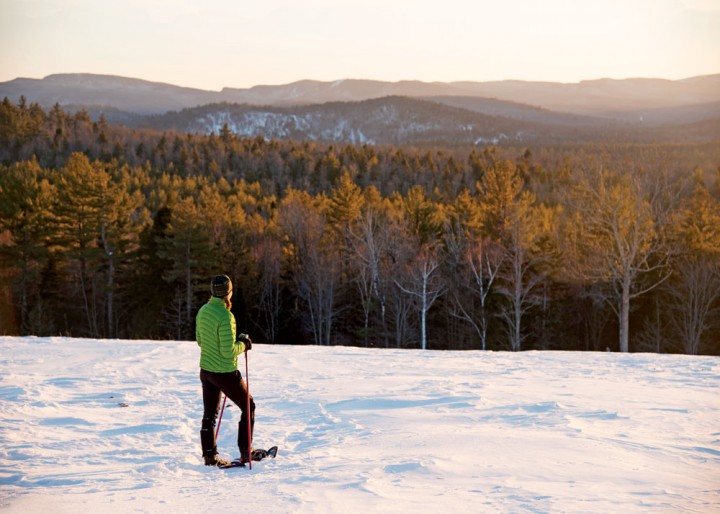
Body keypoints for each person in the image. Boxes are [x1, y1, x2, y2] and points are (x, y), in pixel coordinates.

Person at [196, 274, 255, 467]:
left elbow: (200, 341)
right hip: (225, 373)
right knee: (249, 406)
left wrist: (233, 341)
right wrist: (244, 344)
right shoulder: (226, 316)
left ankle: (209, 456)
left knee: (209, 415)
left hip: (206, 371)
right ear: (229, 293)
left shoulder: (203, 311)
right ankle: (246, 452)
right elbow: (228, 351)